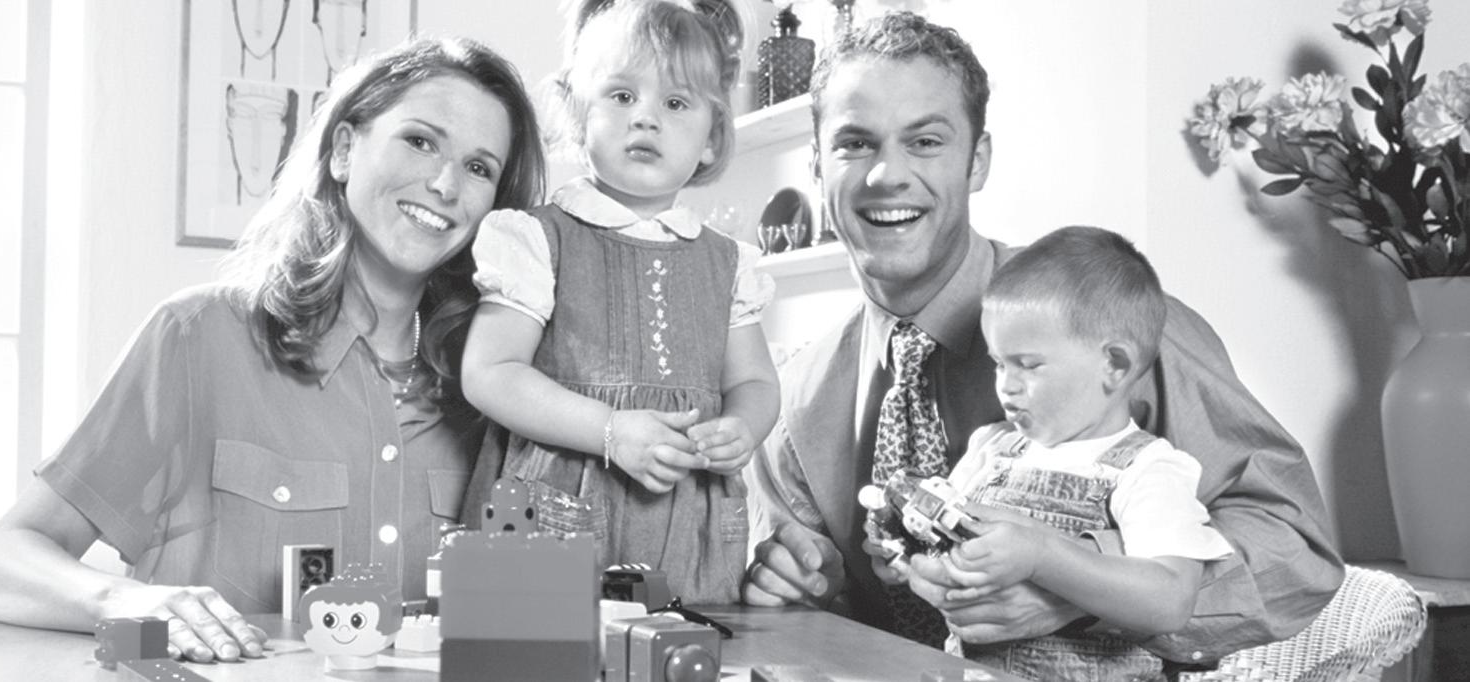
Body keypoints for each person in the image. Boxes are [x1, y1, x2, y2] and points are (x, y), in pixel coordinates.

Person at [743, 10, 1343, 670]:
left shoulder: (1109, 326)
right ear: (817, 166)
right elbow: (805, 611)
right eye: (855, 143)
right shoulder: (790, 402)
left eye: (925, 141)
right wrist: (808, 587)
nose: (887, 175)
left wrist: (1075, 587)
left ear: (977, 160)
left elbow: (1296, 551)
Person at [0, 37, 545, 663]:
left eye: (479, 168)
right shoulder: (198, 337)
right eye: (420, 141)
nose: (445, 183)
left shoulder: (498, 391)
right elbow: (1, 561)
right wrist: (124, 600)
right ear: (344, 150)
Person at [458, 0, 778, 605]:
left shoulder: (729, 264)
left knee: (687, 645)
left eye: (676, 103)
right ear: (576, 113)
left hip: (692, 535)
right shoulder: (536, 239)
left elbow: (755, 382)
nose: (646, 119)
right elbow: (490, 372)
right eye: (622, 96)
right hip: (552, 522)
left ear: (712, 138)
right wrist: (610, 430)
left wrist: (742, 427)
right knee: (534, 641)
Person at [871, 226, 1235, 680]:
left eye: (1028, 365)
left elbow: (1170, 601)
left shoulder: (1149, 469)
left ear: (1114, 365)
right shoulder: (991, 449)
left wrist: (1042, 556)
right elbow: (951, 547)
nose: (1006, 385)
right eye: (999, 363)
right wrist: (910, 557)